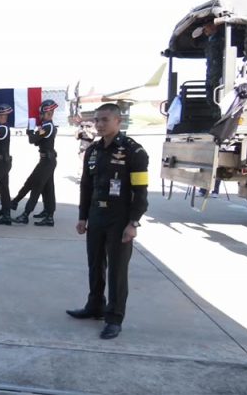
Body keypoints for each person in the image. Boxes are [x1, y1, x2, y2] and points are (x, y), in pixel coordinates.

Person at [68, 102, 149, 340]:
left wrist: (133, 223)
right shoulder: (93, 150)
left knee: (117, 270)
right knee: (95, 264)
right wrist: (83, 216)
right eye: (97, 120)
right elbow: (86, 186)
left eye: (105, 120)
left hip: (119, 218)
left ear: (118, 121)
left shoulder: (134, 151)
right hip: (96, 215)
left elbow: (141, 191)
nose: (100, 124)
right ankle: (95, 306)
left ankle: (114, 318)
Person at [11, 100, 59, 226]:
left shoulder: (47, 127)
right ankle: (48, 214)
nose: (40, 116)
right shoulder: (47, 127)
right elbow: (38, 142)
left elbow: (32, 140)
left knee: (37, 186)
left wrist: (30, 131)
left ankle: (26, 214)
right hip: (47, 160)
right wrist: (34, 133)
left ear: (48, 114)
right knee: (47, 188)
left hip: (47, 161)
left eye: (41, 114)